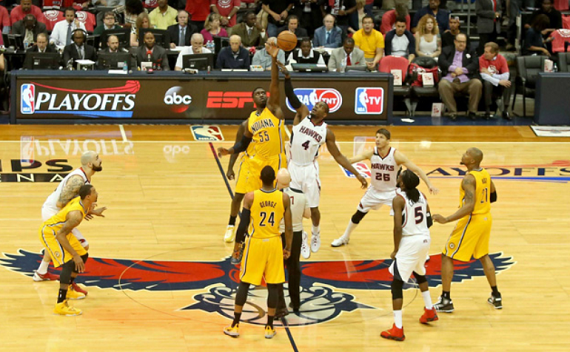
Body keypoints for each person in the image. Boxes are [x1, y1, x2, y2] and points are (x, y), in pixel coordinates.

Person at [279, 61, 368, 254]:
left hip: (310, 169)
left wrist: (357, 174)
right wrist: (287, 78)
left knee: (313, 209)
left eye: (319, 106)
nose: (315, 106)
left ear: (325, 113)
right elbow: (292, 98)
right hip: (293, 166)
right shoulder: (302, 114)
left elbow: (339, 156)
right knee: (294, 207)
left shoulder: (327, 132)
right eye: (315, 104)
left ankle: (316, 232)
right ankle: (301, 236)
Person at [217, 40, 287, 245]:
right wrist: (229, 152)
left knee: (270, 199)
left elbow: (275, 84)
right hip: (253, 162)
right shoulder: (250, 121)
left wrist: (274, 58)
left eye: (262, 92)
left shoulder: (273, 110)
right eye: (256, 93)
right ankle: (231, 226)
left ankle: (274, 230)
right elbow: (242, 144)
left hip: (274, 162)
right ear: (252, 99)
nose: (261, 94)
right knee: (239, 196)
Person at [331, 129, 437, 247]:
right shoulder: (371, 153)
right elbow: (350, 161)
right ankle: (345, 237)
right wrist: (339, 156)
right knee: (358, 214)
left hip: (392, 192)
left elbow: (417, 169)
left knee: (402, 220)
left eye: (381, 137)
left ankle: (412, 245)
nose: (377, 139)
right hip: (374, 190)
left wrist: (429, 184)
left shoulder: (396, 155)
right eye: (376, 137)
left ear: (388, 141)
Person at [223, 166, 292, 339]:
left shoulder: (251, 197)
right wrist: (288, 247)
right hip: (275, 242)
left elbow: (243, 225)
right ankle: (269, 327)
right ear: (274, 179)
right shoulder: (283, 198)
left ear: (260, 178)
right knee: (274, 285)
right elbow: (289, 228)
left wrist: (237, 247)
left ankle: (235, 324)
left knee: (245, 283)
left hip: (256, 243)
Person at [432, 148, 502, 313]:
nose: (462, 155)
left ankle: (446, 299)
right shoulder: (484, 173)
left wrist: (447, 219)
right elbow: (493, 196)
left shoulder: (469, 179)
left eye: (466, 154)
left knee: (447, 256)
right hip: (486, 218)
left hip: (473, 219)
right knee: (483, 256)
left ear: (471, 161)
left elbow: (470, 206)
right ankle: (496, 295)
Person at [34, 151, 104, 298]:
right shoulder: (78, 180)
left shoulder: (86, 177)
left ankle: (41, 272)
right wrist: (78, 212)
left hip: (59, 211)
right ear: (90, 164)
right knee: (81, 246)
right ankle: (69, 284)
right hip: (53, 212)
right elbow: (61, 203)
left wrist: (85, 210)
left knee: (56, 243)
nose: (101, 160)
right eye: (97, 159)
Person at [380, 170, 438, 342]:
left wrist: (396, 249)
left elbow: (398, 228)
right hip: (425, 239)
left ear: (403, 183)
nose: (397, 179)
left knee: (396, 284)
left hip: (411, 242)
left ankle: (397, 328)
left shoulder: (398, 199)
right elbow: (428, 221)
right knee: (420, 273)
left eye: (400, 177)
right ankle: (429, 310)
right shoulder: (421, 195)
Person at [39, 184, 105, 316]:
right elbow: (60, 235)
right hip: (51, 233)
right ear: (88, 197)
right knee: (69, 263)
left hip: (62, 231)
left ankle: (68, 287)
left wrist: (93, 212)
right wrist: (74, 255)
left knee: (83, 255)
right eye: (94, 192)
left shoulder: (81, 203)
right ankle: (60, 304)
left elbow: (79, 209)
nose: (96, 193)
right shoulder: (76, 215)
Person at [275, 168, 311, 317]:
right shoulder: (301, 196)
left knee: (276, 270)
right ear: (290, 181)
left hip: (277, 235)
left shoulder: (273, 197)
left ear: (276, 181)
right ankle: (295, 302)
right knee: (294, 268)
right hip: (296, 235)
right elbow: (308, 215)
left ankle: (279, 304)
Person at [438, 33, 482, 121]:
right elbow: (442, 61)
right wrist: (454, 69)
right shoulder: (446, 50)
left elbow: (475, 64)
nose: (461, 44)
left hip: (466, 80)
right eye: (459, 42)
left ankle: (472, 111)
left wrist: (462, 70)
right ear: (455, 42)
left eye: (464, 42)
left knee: (477, 83)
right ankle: (452, 112)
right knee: (442, 84)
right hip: (450, 79)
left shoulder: (471, 51)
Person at [479, 42, 511, 120]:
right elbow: (484, 75)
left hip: (498, 82)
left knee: (508, 83)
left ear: (494, 53)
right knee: (487, 83)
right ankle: (487, 110)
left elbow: (506, 76)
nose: (484, 54)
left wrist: (492, 75)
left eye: (487, 52)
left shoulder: (502, 59)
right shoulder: (482, 58)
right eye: (484, 51)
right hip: (488, 83)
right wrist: (498, 81)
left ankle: (505, 111)